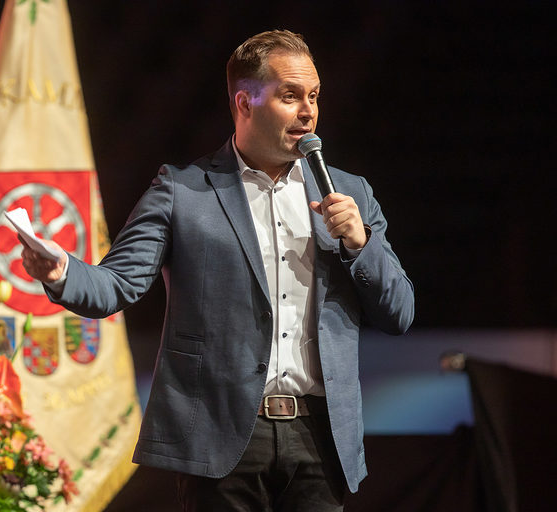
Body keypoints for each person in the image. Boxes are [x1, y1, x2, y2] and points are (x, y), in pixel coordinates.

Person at [21, 29, 414, 512]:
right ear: (245, 102)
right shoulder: (183, 190)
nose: (308, 111)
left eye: (313, 96)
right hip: (222, 439)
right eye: (290, 96)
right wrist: (61, 270)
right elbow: (115, 285)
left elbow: (400, 312)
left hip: (321, 439)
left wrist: (361, 244)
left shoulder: (349, 194)